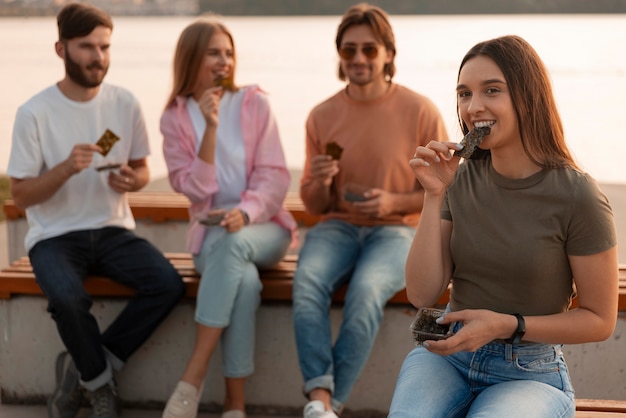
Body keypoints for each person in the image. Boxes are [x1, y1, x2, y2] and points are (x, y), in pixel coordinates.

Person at [388, 34, 618, 418]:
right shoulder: (459, 180)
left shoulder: (578, 195)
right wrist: (433, 195)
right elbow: (422, 292)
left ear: (528, 97)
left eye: (491, 90)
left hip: (530, 372)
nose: (473, 107)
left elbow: (599, 320)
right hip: (449, 358)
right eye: (464, 94)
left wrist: (506, 325)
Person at [6, 3, 186, 418]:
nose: (98, 57)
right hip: (53, 236)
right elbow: (21, 196)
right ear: (60, 49)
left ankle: (84, 369)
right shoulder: (34, 113)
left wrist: (132, 180)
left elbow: (142, 169)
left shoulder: (124, 103)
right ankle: (102, 386)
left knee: (167, 284)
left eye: (105, 46)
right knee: (68, 300)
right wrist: (66, 169)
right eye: (87, 46)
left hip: (111, 230)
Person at [292, 3, 449, 418]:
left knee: (365, 293)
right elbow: (313, 206)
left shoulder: (420, 111)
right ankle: (320, 399)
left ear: (388, 55)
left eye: (368, 49)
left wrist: (394, 202)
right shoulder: (322, 116)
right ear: (339, 56)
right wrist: (322, 180)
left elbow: (448, 192)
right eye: (348, 51)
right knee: (306, 283)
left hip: (398, 231)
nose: (358, 59)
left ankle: (326, 405)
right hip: (337, 225)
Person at [160, 17, 297, 418]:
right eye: (214, 53)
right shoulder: (175, 116)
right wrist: (211, 129)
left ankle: (192, 377)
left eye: (229, 52)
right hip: (209, 239)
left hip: (264, 229)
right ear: (191, 58)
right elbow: (195, 190)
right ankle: (235, 406)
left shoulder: (255, 103)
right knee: (245, 282)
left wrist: (244, 211)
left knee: (236, 244)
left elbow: (274, 177)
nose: (224, 61)